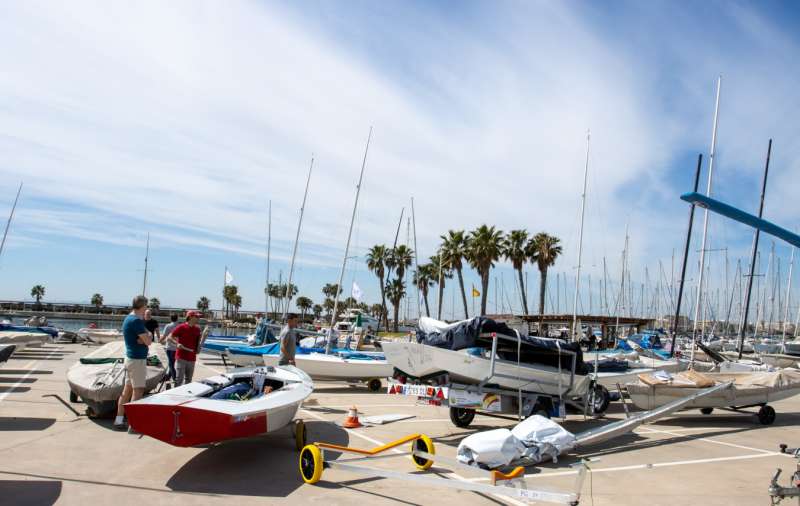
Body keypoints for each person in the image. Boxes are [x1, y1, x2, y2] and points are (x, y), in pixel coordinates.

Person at [114, 295, 152, 431]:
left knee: (127, 391)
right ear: (143, 306)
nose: (147, 308)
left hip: (130, 359)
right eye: (146, 306)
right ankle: (133, 424)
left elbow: (145, 338)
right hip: (137, 360)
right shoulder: (136, 321)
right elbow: (148, 341)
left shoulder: (128, 318)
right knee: (138, 391)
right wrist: (146, 338)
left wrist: (144, 338)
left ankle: (119, 421)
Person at [172, 311, 203, 386]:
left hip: (192, 358)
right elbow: (170, 337)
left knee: (189, 380)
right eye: (196, 317)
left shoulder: (198, 329)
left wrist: (198, 349)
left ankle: (186, 396)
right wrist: (177, 343)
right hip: (181, 357)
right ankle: (175, 395)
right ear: (191, 317)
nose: (198, 318)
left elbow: (197, 344)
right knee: (179, 379)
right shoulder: (181, 327)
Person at [161, 314, 180, 383]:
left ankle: (175, 378)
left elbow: (164, 335)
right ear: (177, 318)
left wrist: (160, 341)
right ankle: (168, 377)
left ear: (170, 319)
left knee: (170, 363)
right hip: (177, 347)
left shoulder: (168, 326)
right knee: (172, 362)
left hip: (169, 347)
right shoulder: (179, 326)